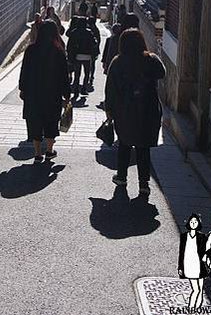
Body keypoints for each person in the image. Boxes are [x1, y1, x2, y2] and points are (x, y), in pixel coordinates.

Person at [105, 28, 166, 195]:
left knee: (124, 144)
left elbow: (110, 88)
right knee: (143, 147)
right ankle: (144, 184)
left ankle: (122, 176)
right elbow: (162, 73)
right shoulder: (151, 60)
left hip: (125, 110)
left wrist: (109, 109)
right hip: (148, 110)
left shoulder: (117, 62)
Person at [19, 20, 71, 162]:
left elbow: (24, 71)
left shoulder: (31, 50)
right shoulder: (58, 51)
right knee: (50, 121)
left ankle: (37, 153)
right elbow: (63, 76)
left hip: (33, 92)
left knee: (35, 121)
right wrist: (66, 94)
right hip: (52, 94)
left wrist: (22, 88)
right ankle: (49, 150)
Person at [178, 214, 207, 310]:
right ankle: (191, 307)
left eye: (195, 222)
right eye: (191, 222)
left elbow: (206, 251)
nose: (193, 224)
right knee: (196, 289)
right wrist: (180, 267)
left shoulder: (202, 237)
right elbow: (181, 253)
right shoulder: (184, 236)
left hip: (200, 265)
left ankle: (198, 307)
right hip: (189, 265)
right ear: (188, 223)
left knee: (200, 289)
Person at [67, 16, 97, 96]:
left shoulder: (74, 32)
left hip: (77, 55)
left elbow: (69, 45)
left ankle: (76, 89)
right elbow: (94, 43)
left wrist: (70, 55)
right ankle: (84, 89)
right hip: (87, 56)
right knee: (86, 73)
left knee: (77, 74)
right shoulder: (89, 32)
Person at [87, 16, 100, 87]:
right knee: (93, 64)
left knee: (88, 64)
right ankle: (91, 76)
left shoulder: (89, 29)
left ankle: (89, 76)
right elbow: (99, 40)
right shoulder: (96, 29)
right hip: (94, 50)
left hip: (88, 50)